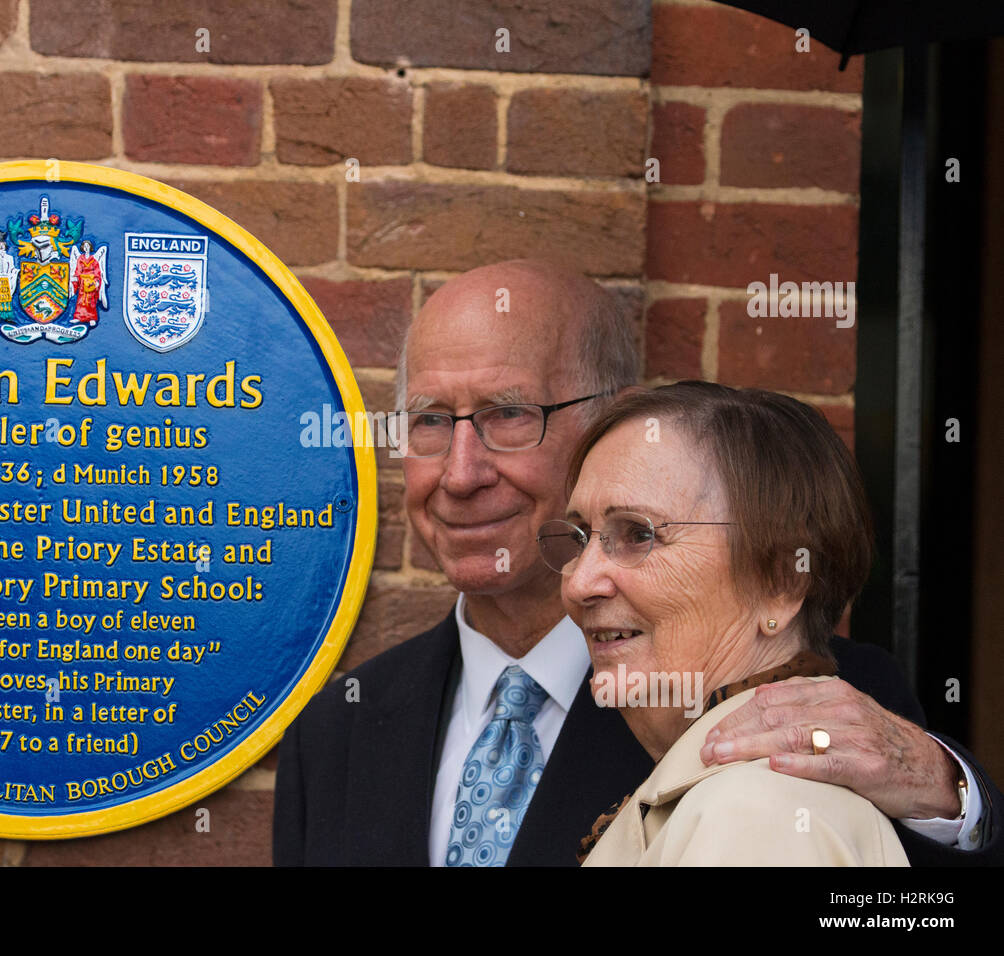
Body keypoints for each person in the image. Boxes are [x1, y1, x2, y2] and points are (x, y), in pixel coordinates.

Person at [273, 259, 999, 866]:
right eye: (431, 421)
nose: (461, 473)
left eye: (508, 414)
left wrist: (944, 789)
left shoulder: (812, 704)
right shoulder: (336, 730)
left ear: (617, 423)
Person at [554, 382, 908, 864]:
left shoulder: (757, 815)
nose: (579, 584)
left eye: (639, 534)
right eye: (580, 539)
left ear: (781, 583)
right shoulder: (730, 798)